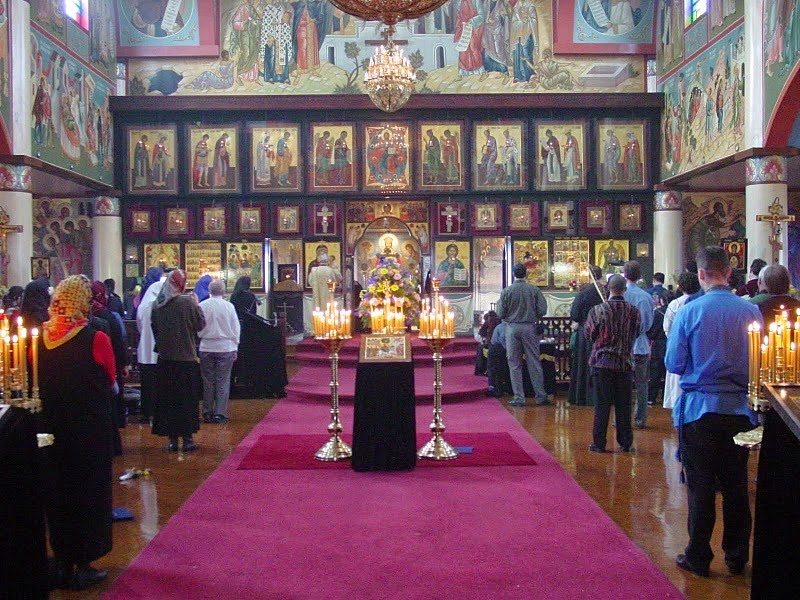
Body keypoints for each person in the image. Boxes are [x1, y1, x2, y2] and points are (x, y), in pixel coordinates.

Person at [665, 246, 762, 578]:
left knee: (701, 485)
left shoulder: (690, 312)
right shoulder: (750, 312)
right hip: (739, 411)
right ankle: (737, 556)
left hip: (699, 412)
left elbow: (674, 363)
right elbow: (759, 364)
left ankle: (699, 556)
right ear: (730, 273)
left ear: (701, 274)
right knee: (736, 484)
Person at [39, 275, 116, 590]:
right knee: (88, 494)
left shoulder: (39, 338)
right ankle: (83, 561)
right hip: (88, 433)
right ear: (83, 301)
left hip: (51, 433)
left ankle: (62, 558)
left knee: (58, 495)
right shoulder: (95, 337)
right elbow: (110, 381)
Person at [584, 275, 641, 453]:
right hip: (624, 363)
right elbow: (636, 332)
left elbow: (589, 333)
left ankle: (599, 443)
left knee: (601, 405)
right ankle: (625, 443)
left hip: (601, 363)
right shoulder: (633, 311)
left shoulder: (598, 310)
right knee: (624, 405)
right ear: (624, 289)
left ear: (608, 288)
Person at [150, 270, 206, 452]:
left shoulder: (157, 304)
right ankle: (188, 439)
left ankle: (172, 440)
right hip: (186, 359)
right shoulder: (187, 302)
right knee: (186, 401)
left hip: (165, 360)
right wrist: (197, 305)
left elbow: (155, 329)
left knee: (169, 402)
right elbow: (200, 325)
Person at [496, 262, 548, 406]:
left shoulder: (507, 291)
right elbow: (543, 310)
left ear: (513, 274)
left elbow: (500, 312)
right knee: (534, 361)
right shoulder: (534, 290)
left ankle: (519, 398)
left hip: (511, 328)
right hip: (530, 328)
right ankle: (540, 395)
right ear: (526, 274)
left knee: (514, 363)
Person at [90, 281, 129, 455]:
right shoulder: (109, 317)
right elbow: (119, 342)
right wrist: (123, 364)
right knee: (111, 406)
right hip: (108, 364)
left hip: (94, 370)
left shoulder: (86, 317)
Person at [198, 279, 240, 424]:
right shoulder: (228, 307)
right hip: (225, 347)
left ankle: (207, 412)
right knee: (223, 380)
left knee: (208, 381)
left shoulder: (202, 306)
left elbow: (197, 326)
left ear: (209, 291)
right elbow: (236, 328)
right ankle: (220, 413)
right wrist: (236, 346)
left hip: (206, 347)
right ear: (223, 291)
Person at [568, 265, 607, 406]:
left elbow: (575, 314)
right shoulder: (606, 291)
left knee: (584, 364)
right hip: (605, 333)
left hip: (586, 333)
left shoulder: (584, 293)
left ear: (590, 276)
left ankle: (583, 396)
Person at [663, 272, 701, 409]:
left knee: (677, 391)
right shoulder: (700, 302)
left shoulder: (675, 304)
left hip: (678, 349)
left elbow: (667, 328)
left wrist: (674, 341)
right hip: (697, 352)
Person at [623, 261, 654, 428]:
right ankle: (640, 419)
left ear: (624, 274)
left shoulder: (619, 294)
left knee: (621, 384)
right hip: (641, 345)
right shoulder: (645, 296)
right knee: (642, 384)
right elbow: (648, 323)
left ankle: (621, 418)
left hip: (622, 345)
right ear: (639, 275)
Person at [136, 272, 164, 424]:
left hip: (145, 350)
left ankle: (146, 413)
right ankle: (159, 412)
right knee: (160, 384)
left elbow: (139, 326)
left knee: (146, 384)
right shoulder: (162, 305)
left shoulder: (143, 306)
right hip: (160, 350)